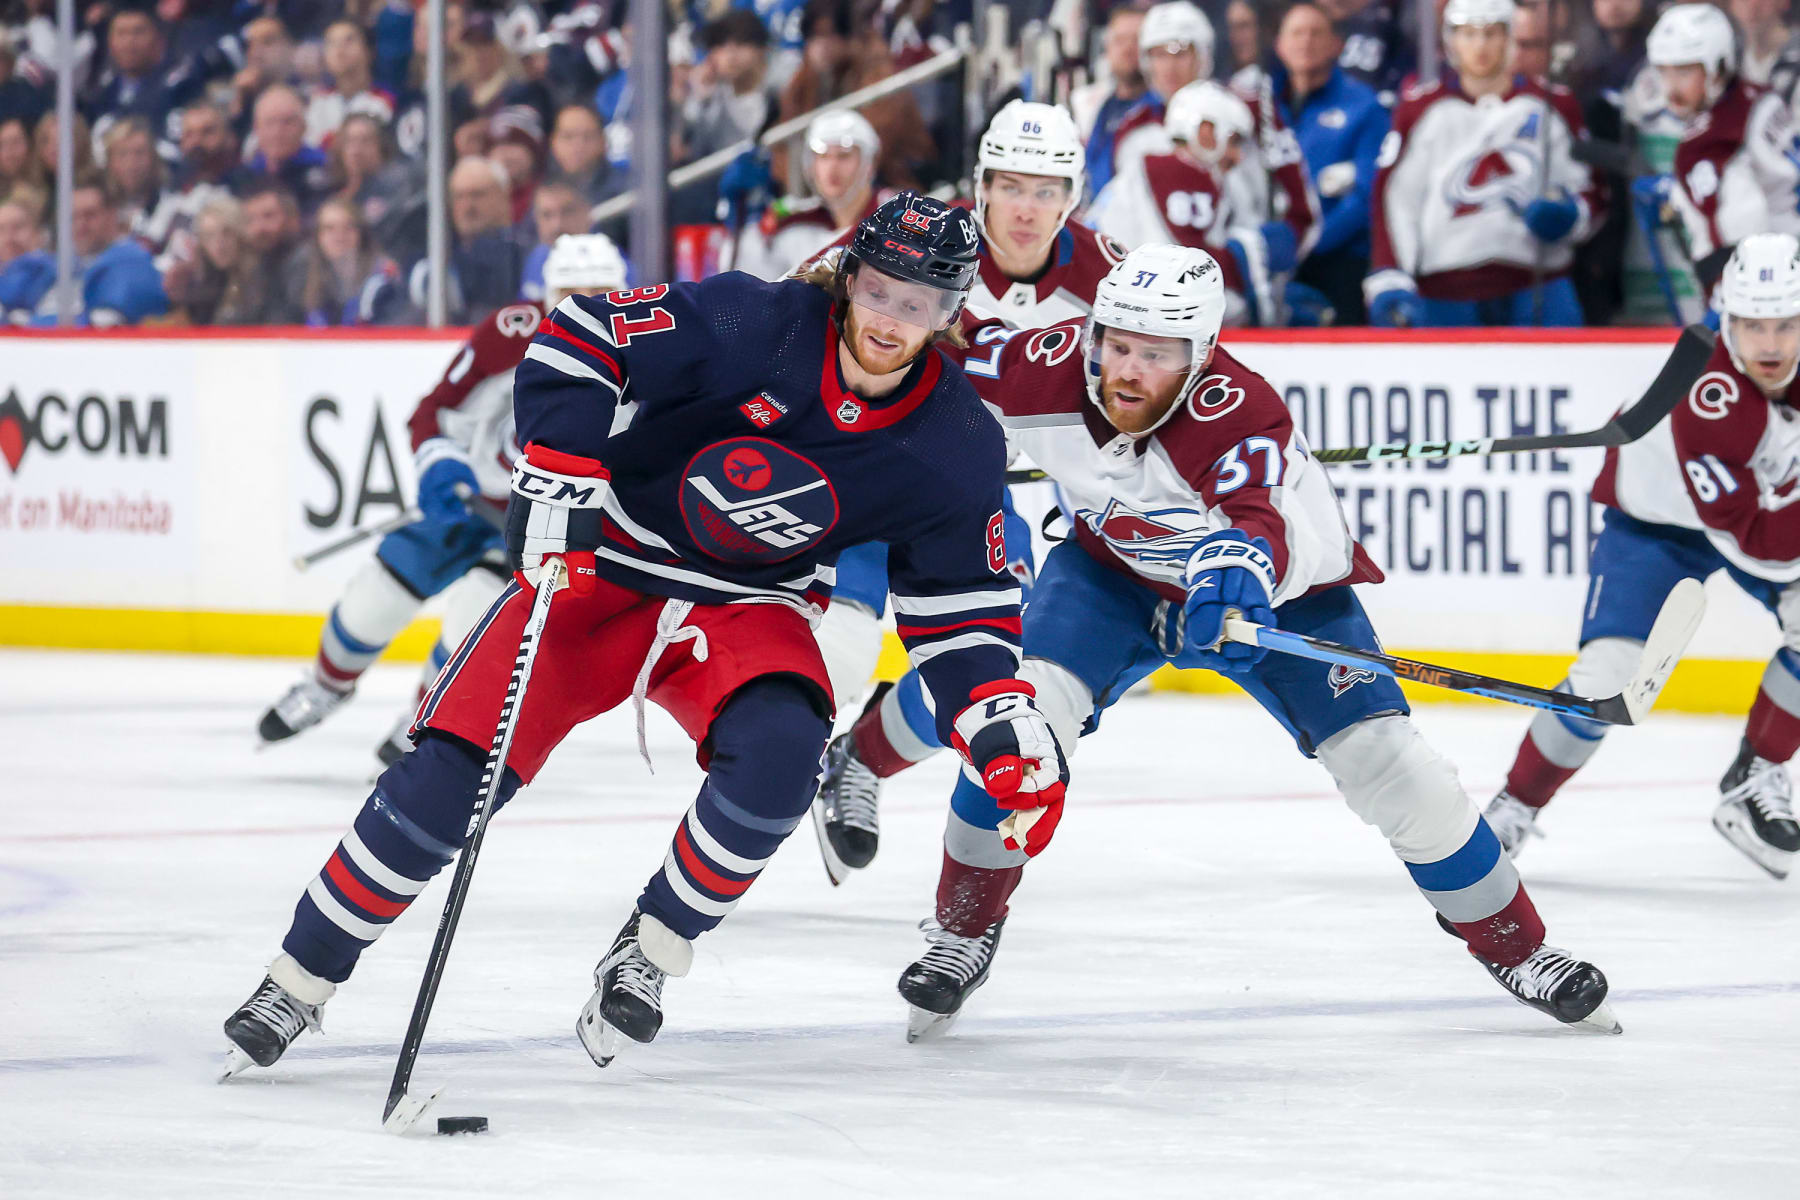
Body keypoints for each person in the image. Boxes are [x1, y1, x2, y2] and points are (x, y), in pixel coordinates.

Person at [221, 194, 1068, 1076]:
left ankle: (652, 947)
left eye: (918, 303)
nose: (892, 318)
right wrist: (559, 473)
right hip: (609, 568)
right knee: (452, 772)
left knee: (783, 760)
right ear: (852, 275)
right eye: (882, 290)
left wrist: (997, 725)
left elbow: (961, 610)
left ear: (951, 311)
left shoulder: (957, 441)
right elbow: (582, 334)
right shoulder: (759, 320)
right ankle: (299, 977)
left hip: (751, 603)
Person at [893, 241, 1619, 1041]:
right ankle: (962, 929)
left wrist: (1229, 585)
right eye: (1118, 345)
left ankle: (1519, 946)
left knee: (1392, 765)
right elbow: (946, 336)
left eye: (1157, 354)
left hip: (1285, 598)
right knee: (1017, 725)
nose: (1127, 371)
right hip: (1106, 580)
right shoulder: (1045, 363)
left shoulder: (1240, 411)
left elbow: (1254, 529)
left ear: (1201, 355)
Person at [809, 102, 1119, 880]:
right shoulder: (918, 239)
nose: (1024, 208)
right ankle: (768, 778)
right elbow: (793, 309)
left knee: (996, 662)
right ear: (978, 186)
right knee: (837, 651)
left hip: (966, 493)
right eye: (1009, 185)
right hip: (855, 474)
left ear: (1073, 197)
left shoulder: (1109, 281)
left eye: (1045, 191)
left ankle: (861, 759)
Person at [1488, 235, 1800, 880]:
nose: (1769, 346)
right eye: (1751, 325)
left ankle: (1755, 775)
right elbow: (1762, 546)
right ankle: (1513, 806)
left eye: (1786, 325)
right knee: (1608, 679)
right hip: (1657, 525)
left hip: (1759, 512)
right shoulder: (1710, 398)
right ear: (1725, 319)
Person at [256, 232, 628, 764]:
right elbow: (433, 411)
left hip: (536, 527)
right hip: (467, 501)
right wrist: (442, 463)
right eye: (573, 292)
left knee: (471, 625)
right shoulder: (510, 334)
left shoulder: (643, 361)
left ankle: (423, 721)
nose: (587, 306)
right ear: (547, 294)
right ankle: (325, 686)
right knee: (371, 602)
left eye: (601, 291)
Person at [1363, 0, 1604, 328]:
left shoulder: (1553, 104)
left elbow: (1593, 190)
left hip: (1537, 285)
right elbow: (1395, 199)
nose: (1480, 46)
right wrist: (1390, 276)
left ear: (1509, 38)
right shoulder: (1419, 109)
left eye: (1491, 33)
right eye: (1469, 34)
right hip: (1444, 291)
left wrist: (1572, 215)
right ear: (1450, 40)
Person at [1634, 4, 1800, 308]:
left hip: (1767, 288)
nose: (1671, 88)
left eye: (1684, 71)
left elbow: (1740, 226)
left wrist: (1729, 299)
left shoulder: (1709, 141)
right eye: (1663, 72)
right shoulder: (1760, 100)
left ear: (1718, 68)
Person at [1092, 82, 1274, 325]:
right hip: (1137, 315)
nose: (1237, 156)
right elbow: (1189, 276)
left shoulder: (1153, 167)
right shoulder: (1182, 175)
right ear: (1206, 132)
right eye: (1233, 141)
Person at [1268, 1, 1388, 325]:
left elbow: (1368, 196)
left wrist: (1307, 244)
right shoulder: (1261, 107)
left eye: (1316, 32)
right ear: (1280, 44)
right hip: (1273, 264)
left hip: (1340, 263)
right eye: (1296, 33)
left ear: (1337, 44)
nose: (1305, 41)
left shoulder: (1365, 107)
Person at [733, 109, 880, 282]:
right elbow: (756, 285)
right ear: (810, 164)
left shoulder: (895, 216)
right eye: (823, 157)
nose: (832, 167)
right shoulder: (795, 223)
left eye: (844, 156)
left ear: (868, 163)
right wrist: (745, 226)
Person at [0, 174, 166, 325]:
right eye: (74, 217)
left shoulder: (132, 263)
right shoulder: (54, 265)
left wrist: (29, 323)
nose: (81, 225)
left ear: (111, 215)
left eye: (90, 215)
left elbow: (103, 324)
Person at [1074, 6, 1148, 199]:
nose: (1128, 48)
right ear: (1107, 47)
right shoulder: (1090, 106)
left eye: (1137, 40)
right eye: (1120, 40)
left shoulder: (1162, 110)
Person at [298, 197, 402, 326]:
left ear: (362, 234)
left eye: (348, 227)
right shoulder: (304, 275)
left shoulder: (384, 275)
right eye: (329, 228)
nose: (339, 236)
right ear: (318, 236)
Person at [234, 84, 331, 215]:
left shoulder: (326, 171)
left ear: (304, 127)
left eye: (288, 122)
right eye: (270, 122)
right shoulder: (242, 178)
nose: (278, 132)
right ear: (256, 129)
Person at [305, 19, 396, 149]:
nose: (339, 50)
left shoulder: (386, 100)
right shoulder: (317, 101)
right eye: (331, 43)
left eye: (349, 41)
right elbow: (312, 144)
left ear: (368, 51)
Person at [520, 180, 594, 302]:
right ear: (536, 219)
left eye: (567, 212)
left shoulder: (611, 258)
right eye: (546, 215)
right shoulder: (536, 257)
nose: (557, 225)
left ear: (586, 212)